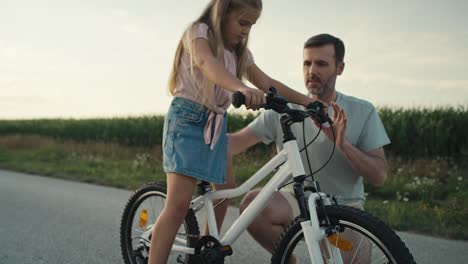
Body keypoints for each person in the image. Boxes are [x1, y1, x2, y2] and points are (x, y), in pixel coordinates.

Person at [149, 1, 317, 263]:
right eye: (242, 23)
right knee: (178, 206)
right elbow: (206, 63)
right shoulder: (198, 32)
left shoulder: (241, 54)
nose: (246, 31)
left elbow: (267, 82)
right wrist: (242, 87)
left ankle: (202, 256)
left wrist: (307, 102)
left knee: (223, 194)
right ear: (222, 13)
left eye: (251, 25)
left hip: (216, 124)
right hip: (188, 121)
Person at [229, 33, 391, 260]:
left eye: (322, 64)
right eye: (307, 63)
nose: (312, 71)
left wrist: (342, 144)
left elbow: (379, 176)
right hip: (295, 201)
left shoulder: (362, 111)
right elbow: (236, 143)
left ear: (340, 68)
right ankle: (287, 259)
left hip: (345, 206)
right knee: (254, 207)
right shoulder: (285, 108)